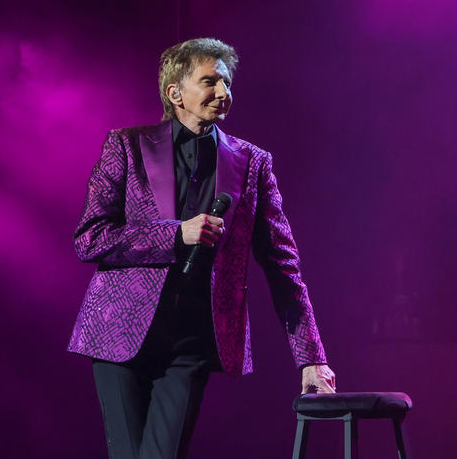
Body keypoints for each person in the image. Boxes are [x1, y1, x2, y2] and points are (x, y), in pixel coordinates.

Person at [67, 38, 336, 459]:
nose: (223, 92)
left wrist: (311, 358)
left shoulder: (252, 163)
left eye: (226, 82)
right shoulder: (126, 146)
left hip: (194, 339)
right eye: (209, 81)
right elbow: (91, 237)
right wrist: (176, 233)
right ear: (176, 93)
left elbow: (285, 267)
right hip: (119, 336)